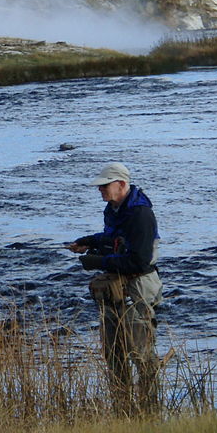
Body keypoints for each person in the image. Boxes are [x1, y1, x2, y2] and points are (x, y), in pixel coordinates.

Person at [66, 162, 163, 415]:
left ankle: (150, 410)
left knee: (141, 353)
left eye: (104, 186)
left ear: (121, 184)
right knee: (113, 352)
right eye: (100, 187)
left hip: (139, 285)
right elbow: (113, 238)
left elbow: (139, 260)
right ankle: (122, 409)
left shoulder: (141, 214)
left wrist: (98, 261)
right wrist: (89, 242)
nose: (100, 191)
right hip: (116, 285)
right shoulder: (113, 209)